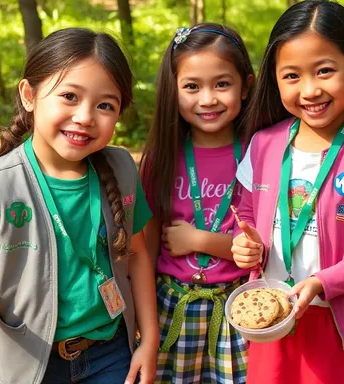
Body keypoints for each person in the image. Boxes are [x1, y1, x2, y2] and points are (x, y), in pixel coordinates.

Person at [0, 28, 159, 384]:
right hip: (32, 363)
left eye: (105, 105)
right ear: (29, 95)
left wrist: (148, 341)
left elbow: (137, 255)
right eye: (70, 96)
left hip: (111, 354)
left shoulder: (120, 169)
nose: (86, 116)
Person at [230, 1, 344, 382]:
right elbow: (241, 217)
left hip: (342, 329)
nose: (310, 90)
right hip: (270, 320)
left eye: (325, 71)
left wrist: (323, 283)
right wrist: (243, 245)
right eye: (291, 76)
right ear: (274, 78)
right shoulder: (262, 145)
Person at [139, 23, 255, 384]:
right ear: (172, 91)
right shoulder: (161, 157)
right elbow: (146, 245)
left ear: (246, 85)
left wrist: (198, 241)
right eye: (192, 86)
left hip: (236, 307)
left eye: (222, 84)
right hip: (172, 306)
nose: (207, 99)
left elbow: (258, 247)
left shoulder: (260, 152)